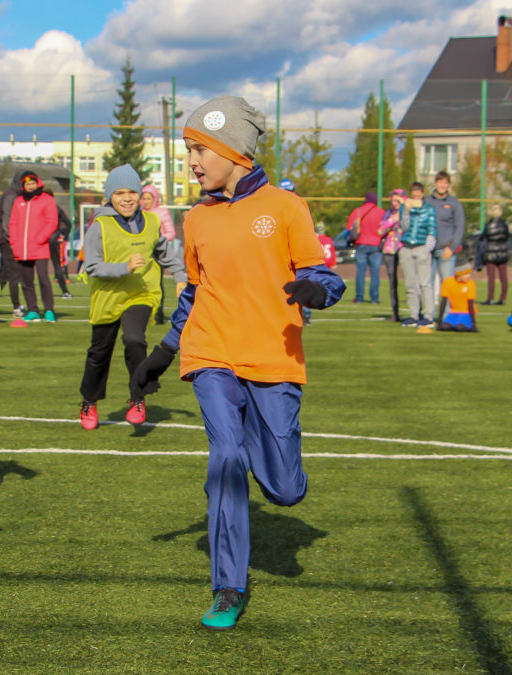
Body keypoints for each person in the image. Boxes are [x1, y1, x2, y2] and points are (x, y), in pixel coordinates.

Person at [131, 96, 344, 630]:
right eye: (188, 150)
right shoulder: (196, 218)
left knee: (285, 490)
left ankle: (270, 465)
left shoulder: (286, 208)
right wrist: (163, 353)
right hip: (212, 353)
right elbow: (193, 294)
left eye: (200, 149)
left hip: (274, 358)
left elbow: (326, 277)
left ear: (236, 152)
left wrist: (315, 291)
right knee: (225, 457)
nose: (193, 161)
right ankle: (228, 586)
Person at [78, 164, 187, 430]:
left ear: (140, 195)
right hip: (107, 297)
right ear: (109, 197)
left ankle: (138, 398)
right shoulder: (99, 226)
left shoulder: (151, 221)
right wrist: (123, 267)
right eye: (119, 193)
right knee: (98, 354)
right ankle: (89, 400)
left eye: (132, 192)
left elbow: (164, 253)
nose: (127, 198)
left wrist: (181, 275)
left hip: (140, 293)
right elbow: (92, 266)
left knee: (135, 339)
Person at [7, 172, 59, 322]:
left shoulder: (47, 200)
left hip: (39, 247)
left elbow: (52, 221)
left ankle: (49, 309)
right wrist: (14, 241)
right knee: (26, 281)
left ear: (38, 184)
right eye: (27, 184)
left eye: (33, 184)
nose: (30, 187)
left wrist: (41, 238)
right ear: (23, 186)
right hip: (21, 249)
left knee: (43, 278)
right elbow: (13, 222)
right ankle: (33, 309)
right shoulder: (18, 201)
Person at [398, 182, 438, 327]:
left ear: (422, 194)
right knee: (410, 284)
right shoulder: (404, 208)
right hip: (407, 247)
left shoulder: (429, 209)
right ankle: (413, 315)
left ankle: (428, 316)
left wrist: (428, 248)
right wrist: (406, 212)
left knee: (425, 283)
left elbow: (432, 229)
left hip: (421, 247)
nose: (415, 197)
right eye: (413, 195)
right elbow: (404, 227)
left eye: (418, 195)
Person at [426, 171, 465, 303]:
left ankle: (447, 318)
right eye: (440, 182)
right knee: (427, 284)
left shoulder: (454, 203)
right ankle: (428, 316)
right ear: (435, 183)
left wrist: (452, 248)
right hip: (428, 250)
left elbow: (460, 226)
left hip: (446, 250)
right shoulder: (427, 201)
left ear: (448, 185)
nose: (442, 185)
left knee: (447, 284)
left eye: (445, 183)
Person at [141, 184, 176, 322]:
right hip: (142, 252)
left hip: (157, 252)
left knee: (156, 282)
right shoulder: (139, 213)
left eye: (149, 198)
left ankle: (158, 313)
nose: (146, 201)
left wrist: (156, 240)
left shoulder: (162, 212)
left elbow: (171, 233)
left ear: (154, 198)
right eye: (144, 198)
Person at [0, 170, 28, 315]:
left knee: (4, 275)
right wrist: (11, 239)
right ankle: (16, 306)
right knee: (14, 274)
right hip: (8, 240)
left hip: (10, 239)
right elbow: (6, 219)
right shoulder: (11, 195)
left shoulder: (16, 195)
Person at [345, 191, 384, 303]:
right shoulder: (381, 212)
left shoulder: (357, 212)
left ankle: (359, 297)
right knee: (375, 272)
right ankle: (375, 298)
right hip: (376, 245)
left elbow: (349, 229)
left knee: (361, 272)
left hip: (360, 244)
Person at [377, 188, 405, 322]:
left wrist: (402, 214)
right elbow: (380, 230)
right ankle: (395, 312)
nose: (395, 202)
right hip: (390, 249)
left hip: (405, 247)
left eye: (398, 199)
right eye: (393, 200)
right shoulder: (388, 213)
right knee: (393, 282)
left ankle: (418, 313)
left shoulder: (409, 212)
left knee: (413, 281)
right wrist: (392, 220)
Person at [302, 221, 337, 325]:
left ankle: (307, 313)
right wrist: (334, 263)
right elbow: (332, 252)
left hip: (316, 264)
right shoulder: (328, 239)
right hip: (326, 266)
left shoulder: (314, 238)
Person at [477, 204, 510, 305]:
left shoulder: (489, 225)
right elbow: (507, 236)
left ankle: (490, 298)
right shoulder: (504, 225)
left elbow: (483, 237)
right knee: (503, 277)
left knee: (491, 277)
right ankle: (503, 298)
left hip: (490, 251)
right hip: (502, 251)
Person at [45, 186, 74, 300]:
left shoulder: (41, 208)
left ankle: (42, 293)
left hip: (43, 240)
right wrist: (64, 236)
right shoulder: (57, 208)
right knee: (57, 265)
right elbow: (69, 224)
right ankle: (65, 292)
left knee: (41, 268)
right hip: (53, 239)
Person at [436, 261, 478, 332]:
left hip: (466, 313)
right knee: (445, 327)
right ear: (459, 274)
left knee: (460, 327)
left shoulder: (470, 283)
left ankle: (467, 324)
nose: (469, 276)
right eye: (466, 274)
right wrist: (439, 322)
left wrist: (473, 323)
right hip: (453, 313)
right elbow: (443, 302)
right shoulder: (448, 282)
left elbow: (471, 303)